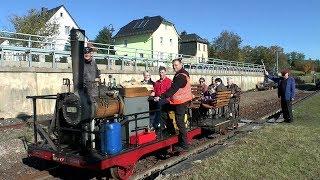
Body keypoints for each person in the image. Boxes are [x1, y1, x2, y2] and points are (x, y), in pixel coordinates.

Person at [154, 58, 193, 151]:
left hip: (181, 102)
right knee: (164, 108)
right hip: (179, 101)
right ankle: (170, 129)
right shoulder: (181, 74)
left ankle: (184, 145)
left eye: (176, 65)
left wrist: (161, 96)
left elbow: (173, 89)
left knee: (180, 121)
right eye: (173, 65)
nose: (174, 67)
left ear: (181, 64)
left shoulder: (181, 76)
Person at [83, 46, 100, 118]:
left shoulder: (93, 62)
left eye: (88, 53)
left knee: (95, 109)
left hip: (94, 89)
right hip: (85, 89)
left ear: (91, 54)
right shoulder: (80, 63)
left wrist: (98, 77)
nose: (86, 54)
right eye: (85, 53)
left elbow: (97, 71)